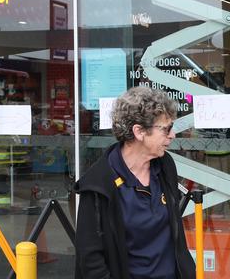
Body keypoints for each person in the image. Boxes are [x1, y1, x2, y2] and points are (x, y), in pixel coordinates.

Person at [75, 86, 193, 279]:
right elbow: (90, 260)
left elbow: (175, 236)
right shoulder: (99, 184)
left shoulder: (165, 166)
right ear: (139, 132)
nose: (172, 135)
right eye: (166, 129)